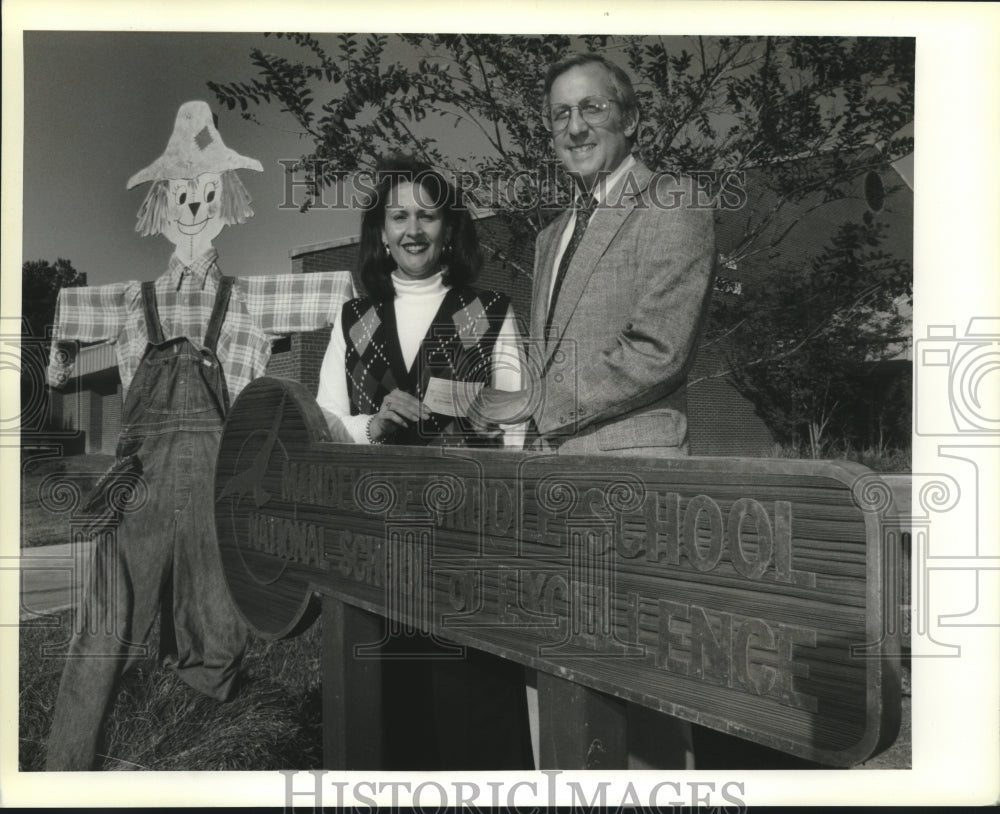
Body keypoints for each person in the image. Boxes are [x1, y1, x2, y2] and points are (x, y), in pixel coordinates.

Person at [44, 101, 355, 771]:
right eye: (181, 193)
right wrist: (57, 356)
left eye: (206, 193)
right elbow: (67, 312)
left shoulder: (246, 300)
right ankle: (62, 773)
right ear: (162, 203)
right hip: (138, 488)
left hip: (220, 484)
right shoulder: (134, 301)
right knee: (103, 625)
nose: (193, 205)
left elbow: (342, 291)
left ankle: (202, 732)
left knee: (217, 627)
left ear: (224, 201)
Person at [315, 157, 534, 769]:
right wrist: (372, 426)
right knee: (387, 717)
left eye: (428, 215)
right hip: (374, 549)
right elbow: (324, 426)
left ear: (449, 227)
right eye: (399, 215)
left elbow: (514, 434)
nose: (414, 229)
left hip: (466, 549)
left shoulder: (490, 313)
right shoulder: (354, 320)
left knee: (473, 716)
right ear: (380, 232)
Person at [531, 53, 716, 768]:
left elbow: (657, 348)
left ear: (631, 119)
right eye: (560, 114)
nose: (574, 127)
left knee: (642, 704)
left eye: (592, 108)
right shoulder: (550, 238)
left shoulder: (675, 203)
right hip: (554, 487)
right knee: (566, 697)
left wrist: (538, 409)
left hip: (632, 486)